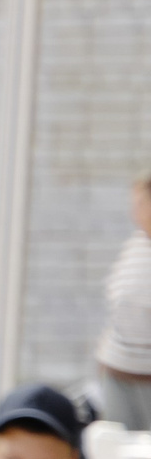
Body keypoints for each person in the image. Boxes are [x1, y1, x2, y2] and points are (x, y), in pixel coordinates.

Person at [94, 170, 151, 431]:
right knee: (117, 441)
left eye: (140, 203)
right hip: (118, 367)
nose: (134, 211)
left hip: (146, 372)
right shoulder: (135, 246)